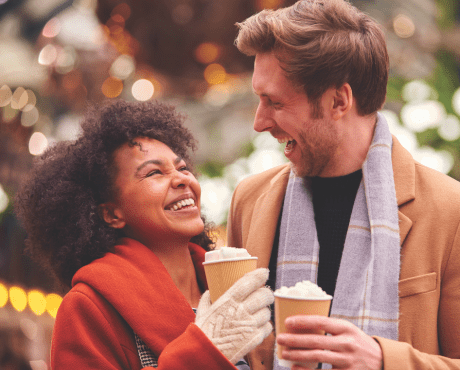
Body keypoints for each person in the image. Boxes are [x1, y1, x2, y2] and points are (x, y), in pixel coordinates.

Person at [227, 1, 460, 369]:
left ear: (339, 100)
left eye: (274, 102)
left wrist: (384, 361)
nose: (259, 122)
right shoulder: (249, 199)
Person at [14, 100, 274, 369]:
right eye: (154, 173)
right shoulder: (87, 308)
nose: (182, 179)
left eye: (182, 167)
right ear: (112, 214)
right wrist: (206, 350)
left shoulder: (228, 284)